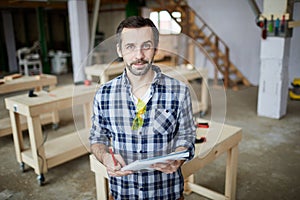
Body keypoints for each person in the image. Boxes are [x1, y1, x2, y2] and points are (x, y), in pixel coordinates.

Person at [89, 16, 196, 200]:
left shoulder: (179, 91)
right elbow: (97, 138)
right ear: (120, 50)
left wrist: (178, 157)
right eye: (130, 46)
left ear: (155, 48)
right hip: (123, 192)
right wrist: (106, 157)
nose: (138, 55)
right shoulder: (103, 95)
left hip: (166, 192)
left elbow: (187, 135)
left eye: (146, 46)